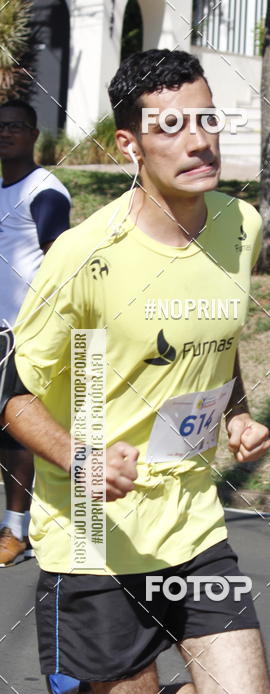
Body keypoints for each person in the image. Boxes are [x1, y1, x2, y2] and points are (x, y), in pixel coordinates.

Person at [3, 49, 270, 694]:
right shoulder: (86, 254)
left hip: (190, 520)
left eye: (206, 119)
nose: (198, 140)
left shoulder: (240, 225)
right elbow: (10, 389)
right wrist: (81, 456)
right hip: (95, 527)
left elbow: (218, 339)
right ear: (129, 146)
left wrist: (234, 410)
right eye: (170, 126)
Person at [0, 99, 70, 566]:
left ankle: (16, 531)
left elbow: (62, 264)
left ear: (34, 134)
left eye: (16, 127)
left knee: (13, 436)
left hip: (21, 333)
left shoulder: (45, 190)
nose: (6, 133)